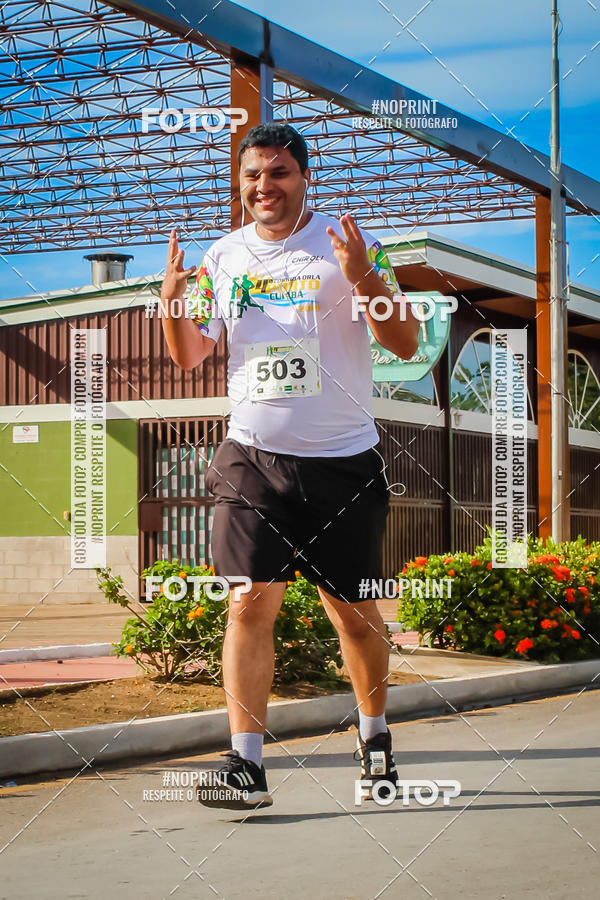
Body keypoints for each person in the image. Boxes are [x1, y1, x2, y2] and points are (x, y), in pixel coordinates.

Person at [160, 122, 419, 809]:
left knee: (356, 618)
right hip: (250, 458)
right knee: (247, 602)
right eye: (252, 175)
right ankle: (245, 763)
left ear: (304, 177)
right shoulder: (222, 256)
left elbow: (403, 339)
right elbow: (189, 355)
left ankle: (375, 736)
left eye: (278, 173)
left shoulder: (346, 247)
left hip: (342, 463)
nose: (263, 187)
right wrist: (170, 304)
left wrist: (364, 274)